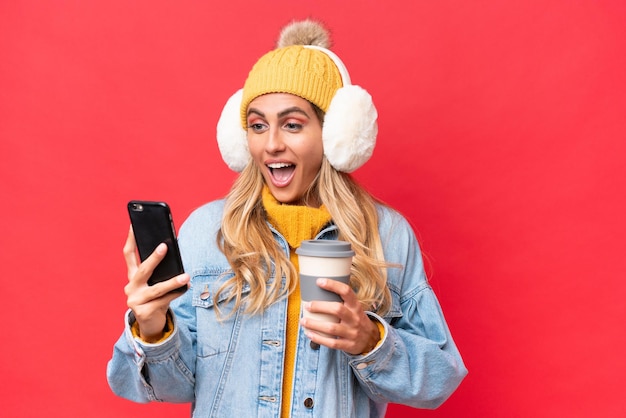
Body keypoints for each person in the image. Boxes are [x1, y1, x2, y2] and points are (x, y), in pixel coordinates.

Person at [107, 19, 467, 417]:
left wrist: (369, 339)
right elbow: (171, 387)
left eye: (292, 125)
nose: (272, 144)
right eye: (258, 126)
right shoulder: (208, 232)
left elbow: (440, 380)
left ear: (335, 135)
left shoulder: (385, 235)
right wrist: (154, 327)